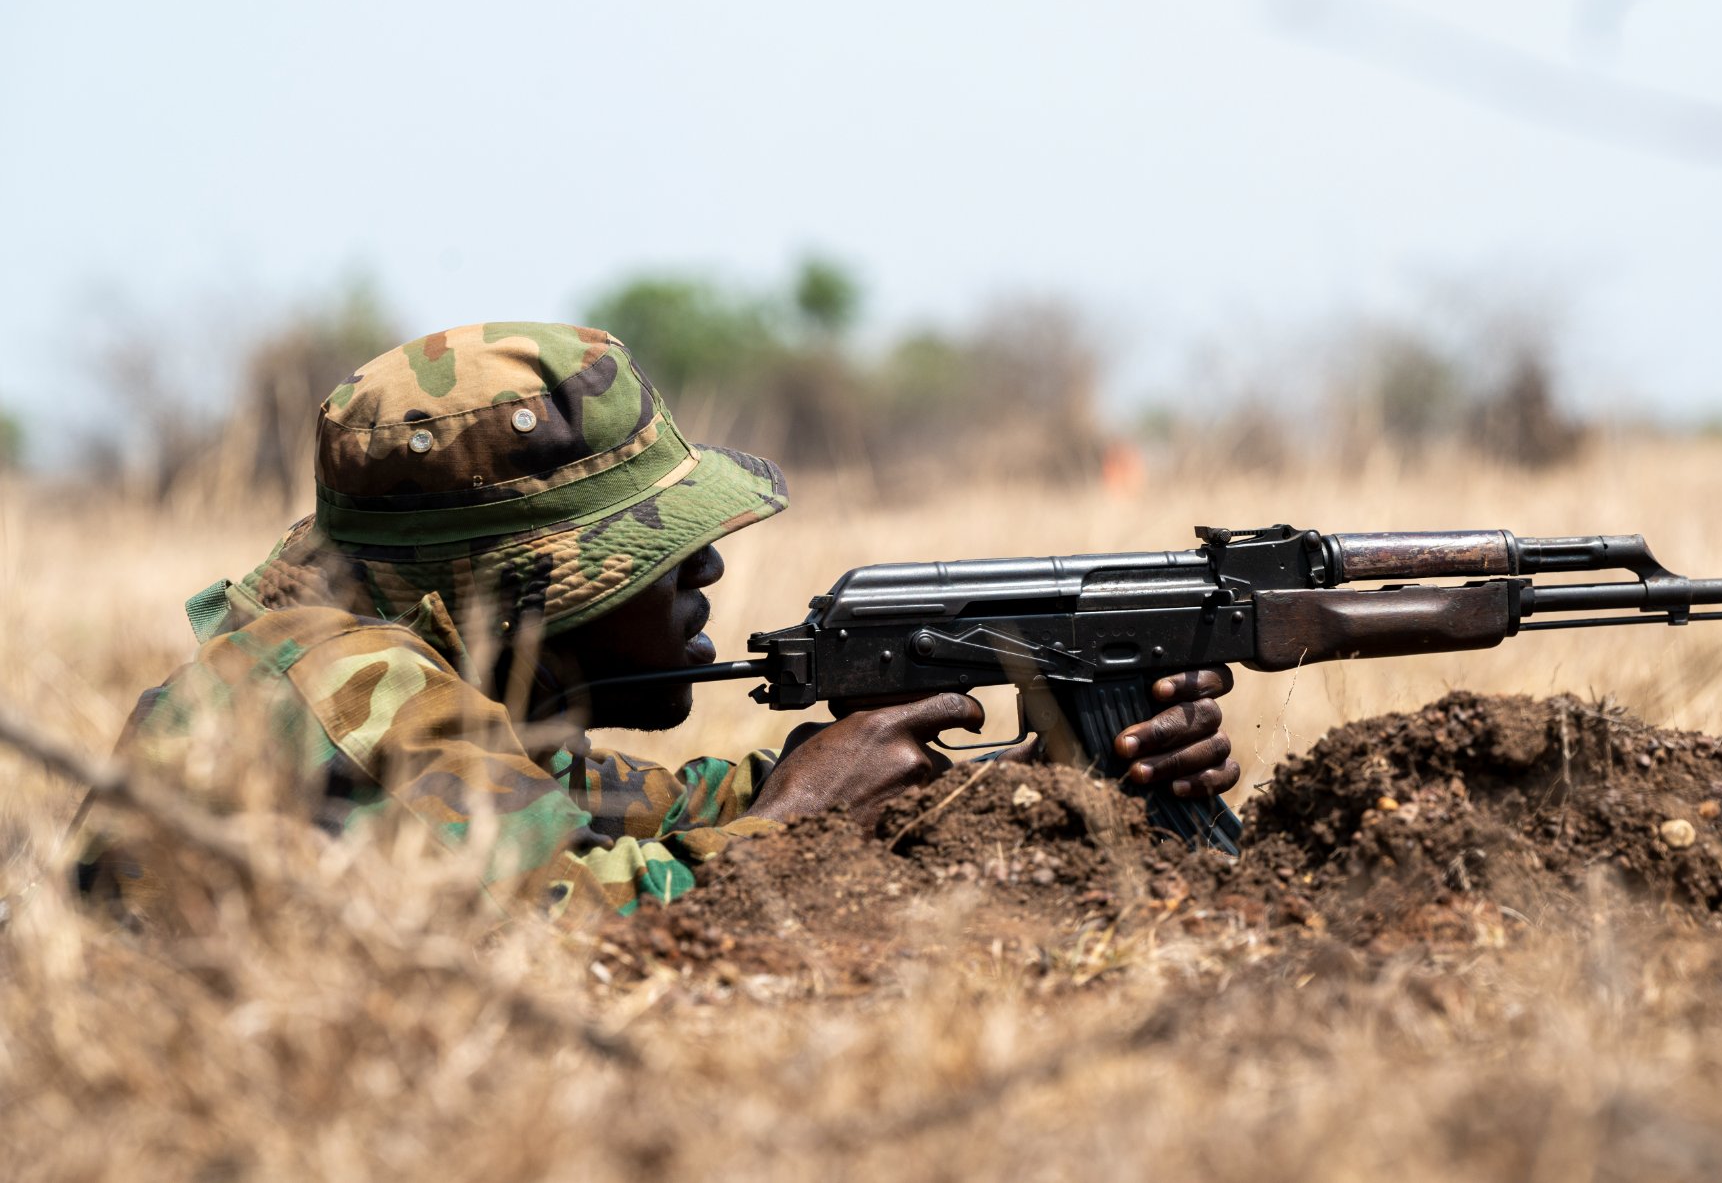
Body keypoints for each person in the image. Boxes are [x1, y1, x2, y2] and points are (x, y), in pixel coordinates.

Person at [78, 322, 1237, 924]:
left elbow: (625, 814)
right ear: (515, 588)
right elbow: (577, 925)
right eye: (655, 549)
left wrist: (1011, 786)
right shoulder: (344, 684)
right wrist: (800, 818)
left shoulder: (443, 689)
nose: (707, 567)